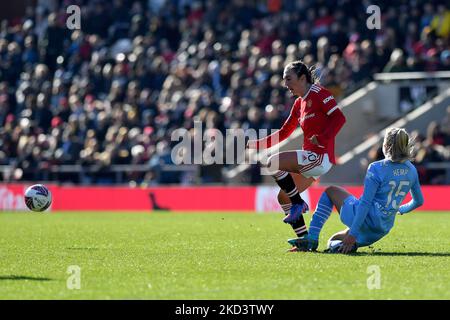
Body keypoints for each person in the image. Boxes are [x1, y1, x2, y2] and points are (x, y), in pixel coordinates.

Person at [246, 60, 346, 244]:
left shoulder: (319, 93)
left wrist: (322, 138)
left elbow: (339, 118)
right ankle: (305, 240)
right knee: (283, 197)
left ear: (302, 78)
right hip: (310, 161)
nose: (286, 84)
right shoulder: (298, 104)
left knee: (273, 163)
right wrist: (257, 144)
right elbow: (284, 132)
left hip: (320, 157)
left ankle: (299, 203)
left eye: (288, 79)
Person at [292, 128, 424, 253]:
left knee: (330, 191)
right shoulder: (411, 170)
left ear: (386, 145)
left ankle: (312, 238)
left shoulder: (377, 167)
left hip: (366, 220)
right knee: (333, 240)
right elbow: (418, 201)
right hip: (381, 228)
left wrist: (353, 234)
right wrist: (400, 209)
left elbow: (365, 203)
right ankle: (346, 245)